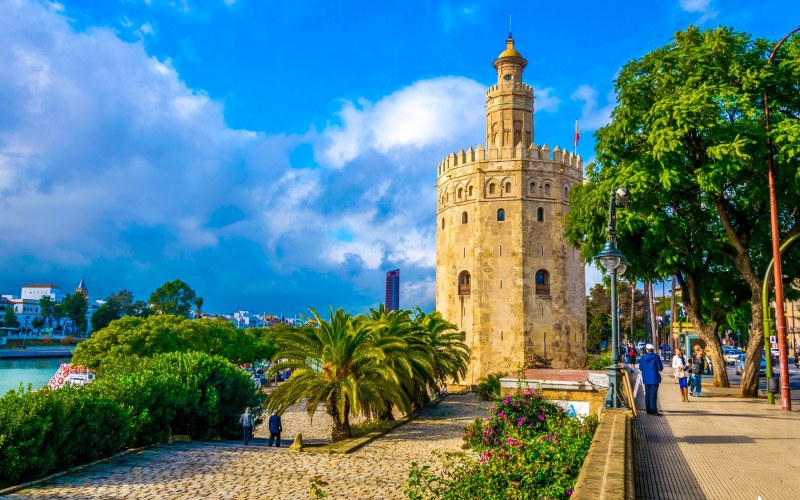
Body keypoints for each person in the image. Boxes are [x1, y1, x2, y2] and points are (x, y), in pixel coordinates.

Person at [639, 344, 664, 415]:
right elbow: (660, 368)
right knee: (653, 394)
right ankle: (653, 410)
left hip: (646, 378)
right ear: (652, 350)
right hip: (654, 378)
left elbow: (640, 368)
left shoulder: (643, 358)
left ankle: (648, 410)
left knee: (647, 394)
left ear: (647, 350)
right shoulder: (656, 357)